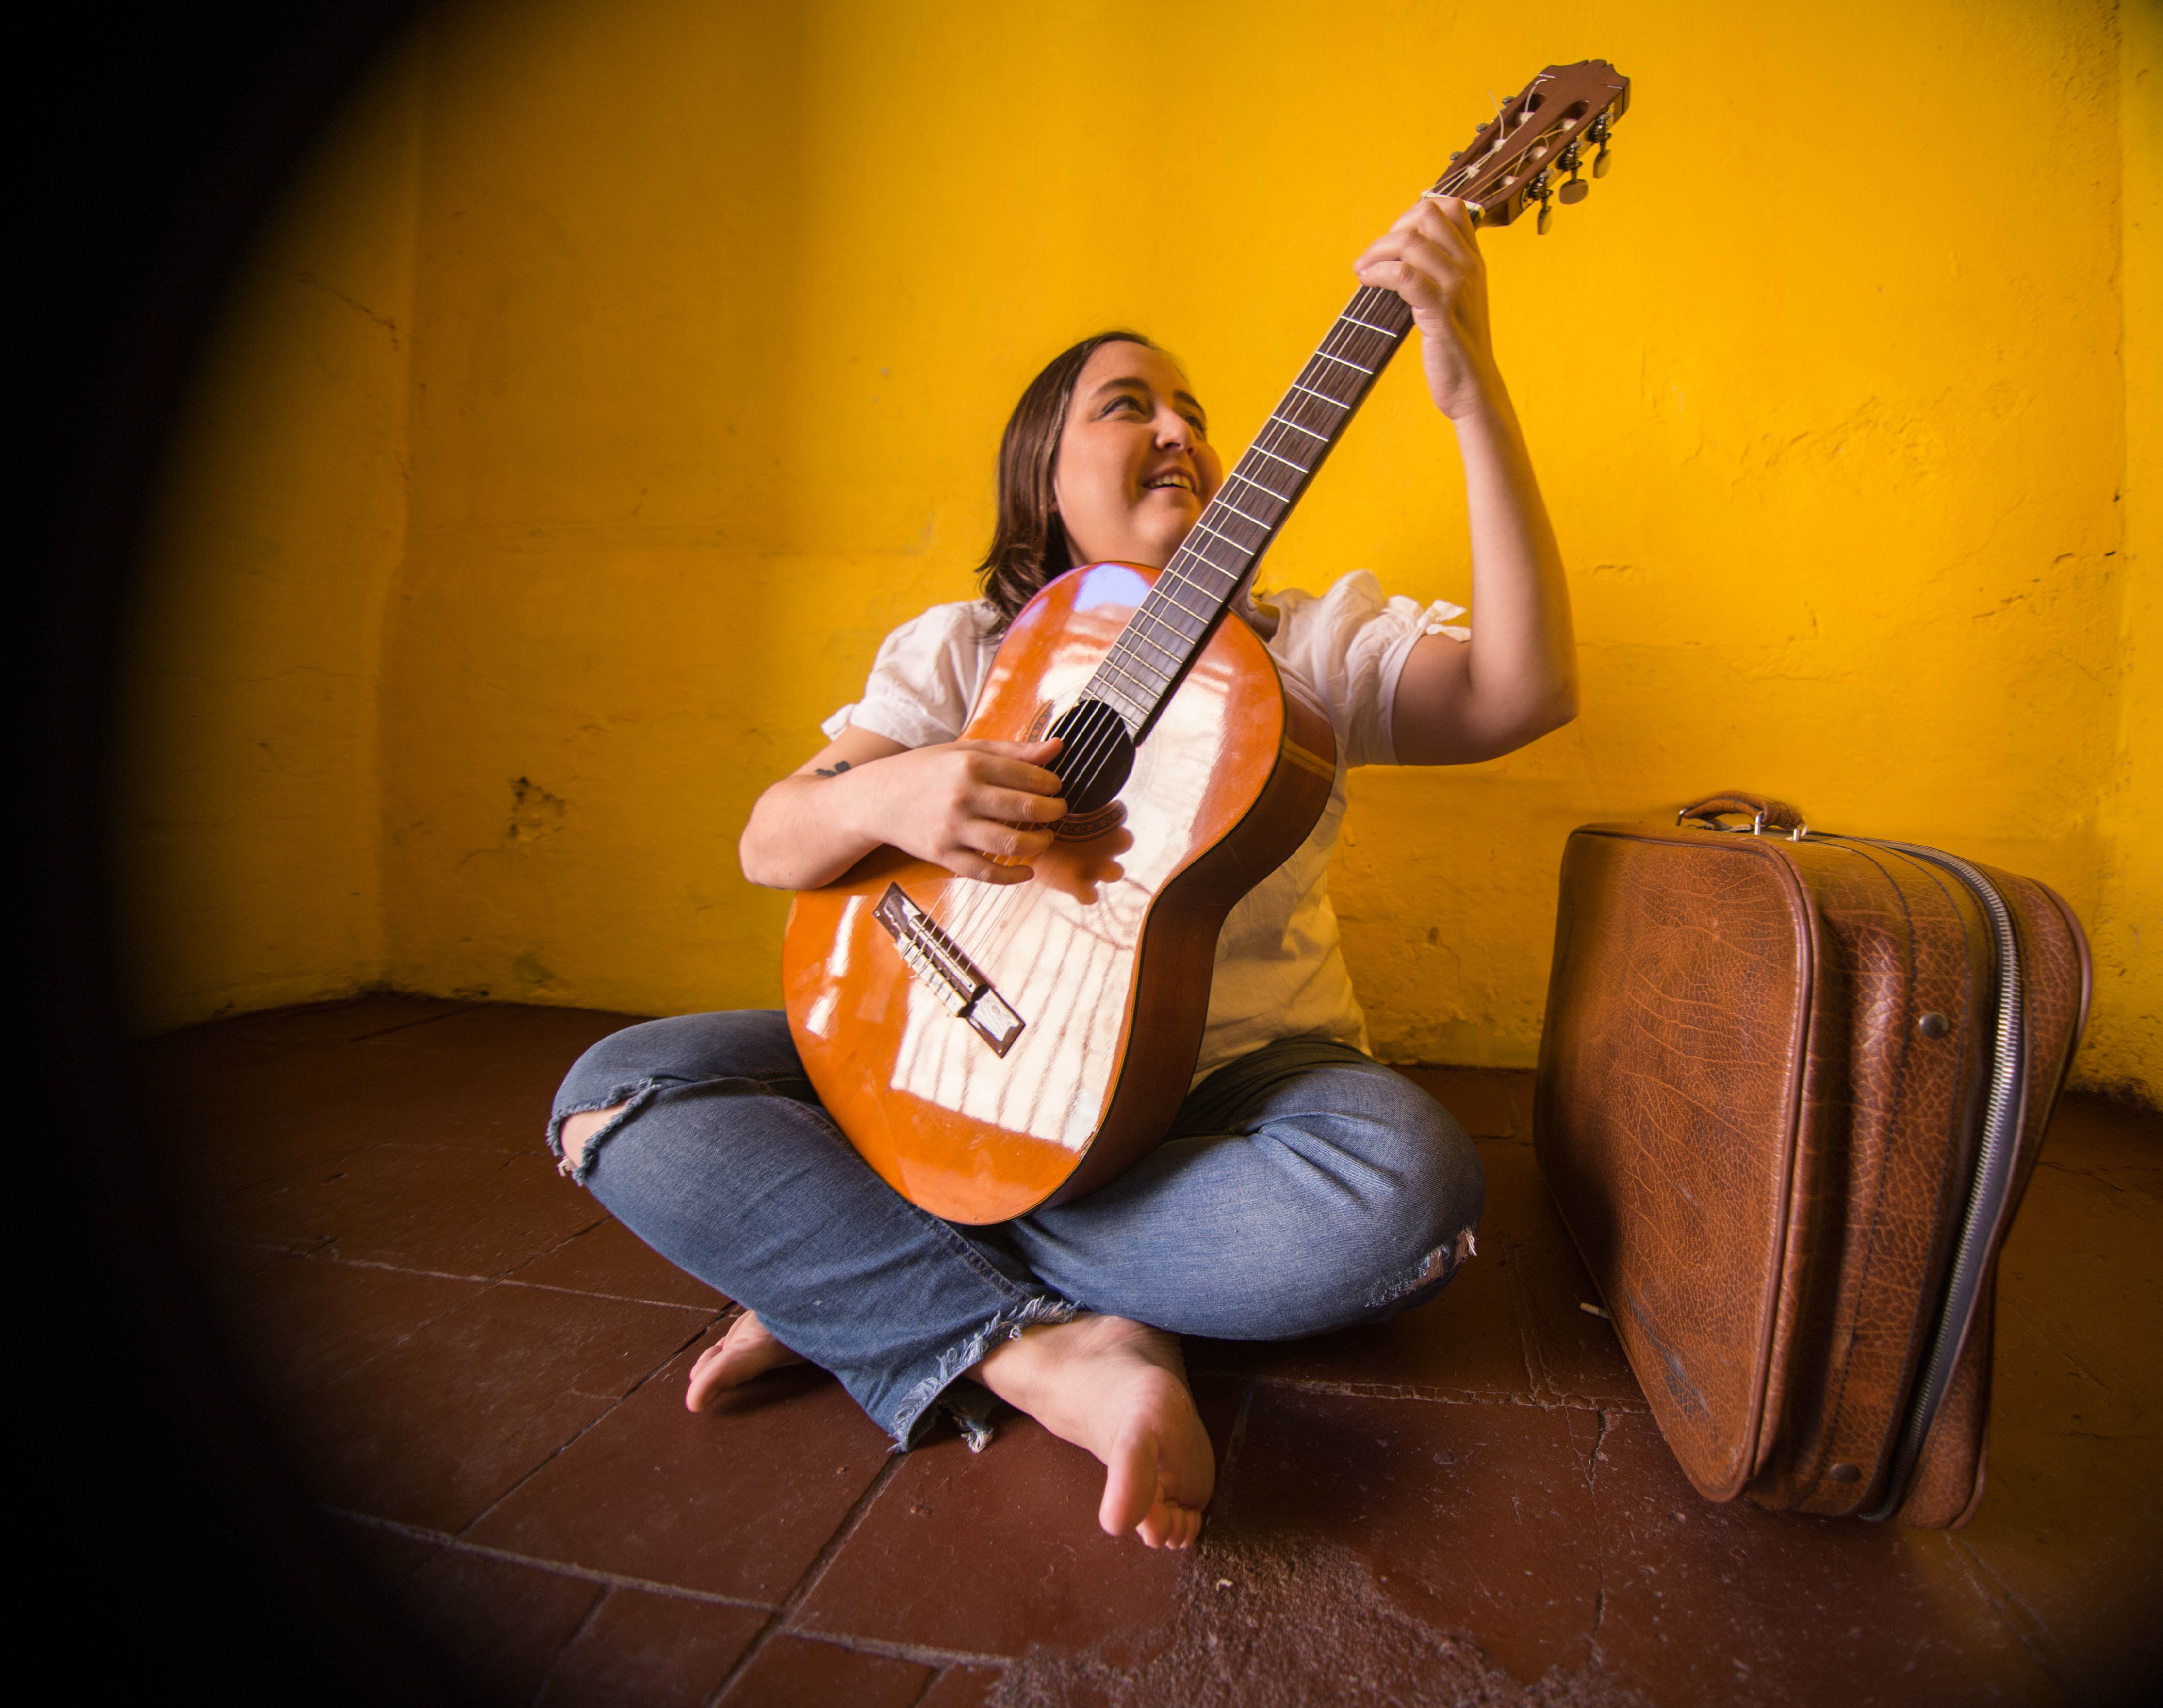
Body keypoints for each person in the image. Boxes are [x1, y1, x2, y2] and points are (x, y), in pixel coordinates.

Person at [547, 197, 1577, 1551]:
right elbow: (771, 840)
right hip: (938, 1054)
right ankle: (1052, 1350)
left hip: (1234, 1099)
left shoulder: (1304, 653)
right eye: (1128, 405)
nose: (1179, 428)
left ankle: (850, 1273)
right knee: (618, 1092)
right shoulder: (965, 651)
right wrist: (898, 791)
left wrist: (1471, 388)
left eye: (1193, 409)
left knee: (1409, 1198)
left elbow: (1521, 692)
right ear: (1043, 472)